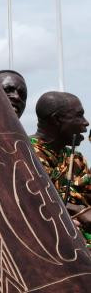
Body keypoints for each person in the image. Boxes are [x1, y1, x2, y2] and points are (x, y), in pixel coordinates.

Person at [30, 91, 91, 246]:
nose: (86, 123)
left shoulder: (75, 158)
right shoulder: (24, 154)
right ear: (57, 119)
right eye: (79, 116)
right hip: (50, 244)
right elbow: (33, 202)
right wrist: (75, 210)